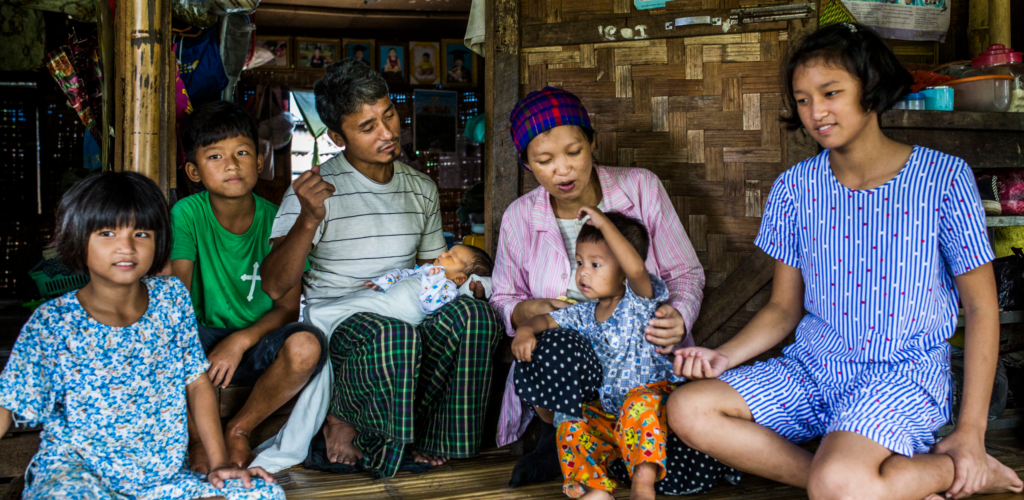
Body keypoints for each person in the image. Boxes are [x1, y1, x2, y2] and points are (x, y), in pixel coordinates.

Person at [666, 23, 1024, 500]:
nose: (816, 112)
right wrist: (724, 356)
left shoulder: (943, 179)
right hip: (812, 370)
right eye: (803, 99)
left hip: (901, 373)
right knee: (688, 409)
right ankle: (854, 483)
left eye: (830, 92)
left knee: (839, 482)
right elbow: (783, 308)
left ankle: (949, 469)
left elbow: (981, 309)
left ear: (870, 87)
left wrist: (971, 434)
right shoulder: (795, 187)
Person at [252, 59, 501, 479]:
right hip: (347, 326)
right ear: (336, 136)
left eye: (388, 115)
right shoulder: (314, 191)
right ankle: (347, 421)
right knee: (391, 334)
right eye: (367, 127)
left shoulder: (420, 188)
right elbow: (276, 286)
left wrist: (470, 289)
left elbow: (433, 272)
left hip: (404, 311)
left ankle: (431, 438)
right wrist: (310, 218)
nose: (387, 133)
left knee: (474, 319)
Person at [491, 86, 734, 493]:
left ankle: (625, 458)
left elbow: (685, 274)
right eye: (544, 160)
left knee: (663, 431)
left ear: (591, 143)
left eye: (574, 152)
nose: (563, 170)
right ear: (527, 164)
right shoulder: (519, 216)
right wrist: (527, 311)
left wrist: (679, 316)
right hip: (570, 370)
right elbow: (502, 299)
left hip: (639, 359)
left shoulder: (640, 188)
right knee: (552, 344)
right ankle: (560, 439)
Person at [0, 172, 283, 500]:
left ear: (159, 240)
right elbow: (7, 403)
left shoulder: (171, 298)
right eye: (107, 232)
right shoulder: (53, 322)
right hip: (78, 480)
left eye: (141, 233)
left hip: (161, 481)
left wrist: (219, 464)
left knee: (261, 493)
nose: (126, 247)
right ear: (78, 238)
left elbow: (196, 382)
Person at [171, 101, 328, 472]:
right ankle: (198, 440)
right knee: (171, 337)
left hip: (259, 342)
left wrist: (240, 341)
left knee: (307, 345)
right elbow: (175, 303)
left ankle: (240, 430)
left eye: (242, 152)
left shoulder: (279, 219)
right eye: (215, 156)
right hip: (202, 343)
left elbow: (288, 309)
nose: (231, 164)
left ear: (259, 160)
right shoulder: (188, 215)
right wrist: (214, 343)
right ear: (193, 170)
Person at [513, 208, 691, 500]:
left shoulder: (638, 303)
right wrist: (525, 331)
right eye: (580, 262)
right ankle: (592, 489)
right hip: (608, 412)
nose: (583, 272)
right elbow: (545, 320)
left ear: (622, 269)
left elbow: (636, 270)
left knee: (638, 404)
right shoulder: (584, 313)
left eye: (596, 264)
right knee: (570, 422)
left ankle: (642, 485)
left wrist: (604, 223)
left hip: (653, 405)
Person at [365, 244, 494, 314]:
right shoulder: (427, 268)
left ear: (459, 279)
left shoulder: (448, 289)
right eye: (447, 252)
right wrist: (383, 282)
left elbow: (429, 305)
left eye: (450, 257)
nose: (443, 254)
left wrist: (432, 280)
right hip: (383, 300)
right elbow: (404, 273)